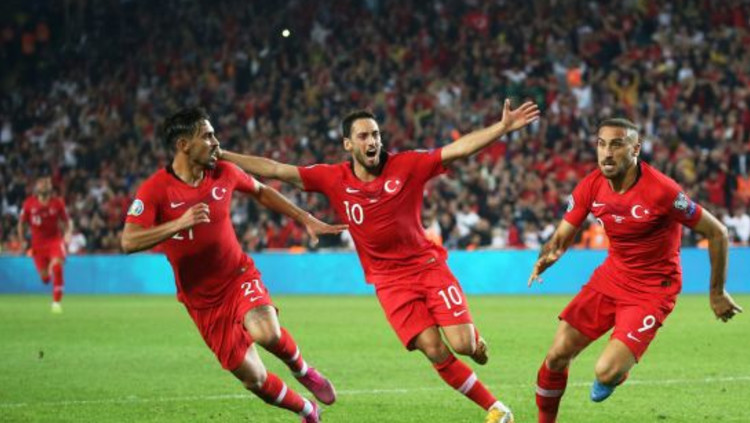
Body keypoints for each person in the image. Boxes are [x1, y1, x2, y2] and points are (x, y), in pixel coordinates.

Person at [221, 99, 540, 423]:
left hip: (427, 267)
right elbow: (276, 169)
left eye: (375, 134)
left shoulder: (408, 165)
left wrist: (502, 128)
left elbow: (457, 150)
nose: (372, 141)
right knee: (433, 349)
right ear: (348, 144)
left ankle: (475, 342)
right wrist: (223, 156)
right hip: (389, 283)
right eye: (363, 136)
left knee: (463, 344)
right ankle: (496, 408)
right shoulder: (333, 178)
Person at [121, 108, 347, 423]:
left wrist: (305, 218)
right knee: (254, 380)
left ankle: (303, 370)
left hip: (238, 276)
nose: (216, 142)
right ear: (184, 145)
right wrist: (178, 224)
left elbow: (262, 191)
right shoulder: (155, 189)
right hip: (202, 301)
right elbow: (129, 241)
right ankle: (307, 411)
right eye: (207, 136)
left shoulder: (224, 172)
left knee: (266, 332)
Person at [528, 118, 743, 423]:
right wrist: (548, 256)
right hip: (612, 276)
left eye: (617, 144)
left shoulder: (662, 191)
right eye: (601, 144)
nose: (607, 153)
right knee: (556, 355)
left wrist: (717, 292)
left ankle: (617, 372)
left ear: (636, 149)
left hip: (653, 289)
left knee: (606, 371)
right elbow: (560, 238)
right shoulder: (591, 185)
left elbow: (717, 232)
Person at [18, 176, 72, 313]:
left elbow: (67, 222)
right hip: (37, 245)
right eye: (41, 184)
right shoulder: (29, 203)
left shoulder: (58, 203)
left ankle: (56, 302)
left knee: (58, 267)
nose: (44, 186)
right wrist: (22, 240)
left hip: (55, 240)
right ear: (37, 188)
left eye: (47, 184)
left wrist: (68, 233)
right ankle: (48, 273)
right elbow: (21, 223)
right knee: (45, 279)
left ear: (50, 187)